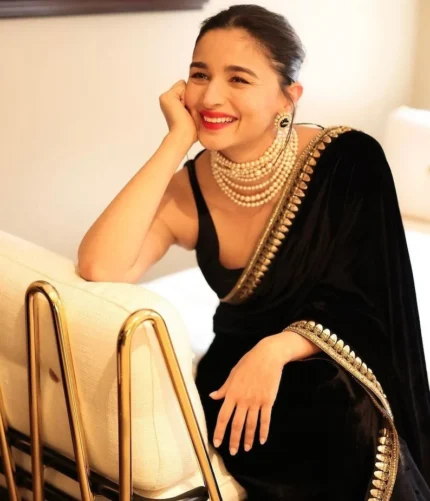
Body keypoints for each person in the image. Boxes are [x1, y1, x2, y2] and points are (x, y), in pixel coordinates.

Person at [77, 4, 430, 500]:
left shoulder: (350, 159)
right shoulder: (188, 190)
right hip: (237, 390)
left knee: (344, 415)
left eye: (238, 79)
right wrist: (175, 142)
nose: (210, 96)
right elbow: (100, 265)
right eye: (200, 74)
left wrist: (276, 349)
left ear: (288, 97)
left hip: (332, 373)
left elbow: (370, 302)